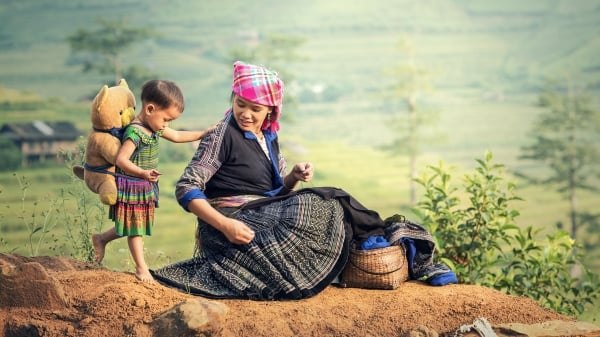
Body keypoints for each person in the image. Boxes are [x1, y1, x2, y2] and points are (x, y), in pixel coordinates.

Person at [151, 61, 453, 299]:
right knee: (324, 201)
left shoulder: (268, 138)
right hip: (230, 224)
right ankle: (392, 244)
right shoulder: (220, 134)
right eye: (240, 104)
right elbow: (186, 187)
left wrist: (293, 177)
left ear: (270, 110)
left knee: (326, 206)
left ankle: (401, 252)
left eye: (254, 109)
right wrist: (225, 226)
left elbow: (273, 193)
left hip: (263, 214)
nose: (245, 113)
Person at [92, 79, 213, 284]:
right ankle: (141, 268)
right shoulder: (135, 132)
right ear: (150, 109)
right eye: (166, 119)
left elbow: (176, 136)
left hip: (143, 185)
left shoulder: (154, 127)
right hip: (132, 184)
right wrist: (142, 173)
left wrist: (202, 134)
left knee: (134, 224)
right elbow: (122, 159)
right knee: (136, 229)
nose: (167, 125)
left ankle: (101, 238)